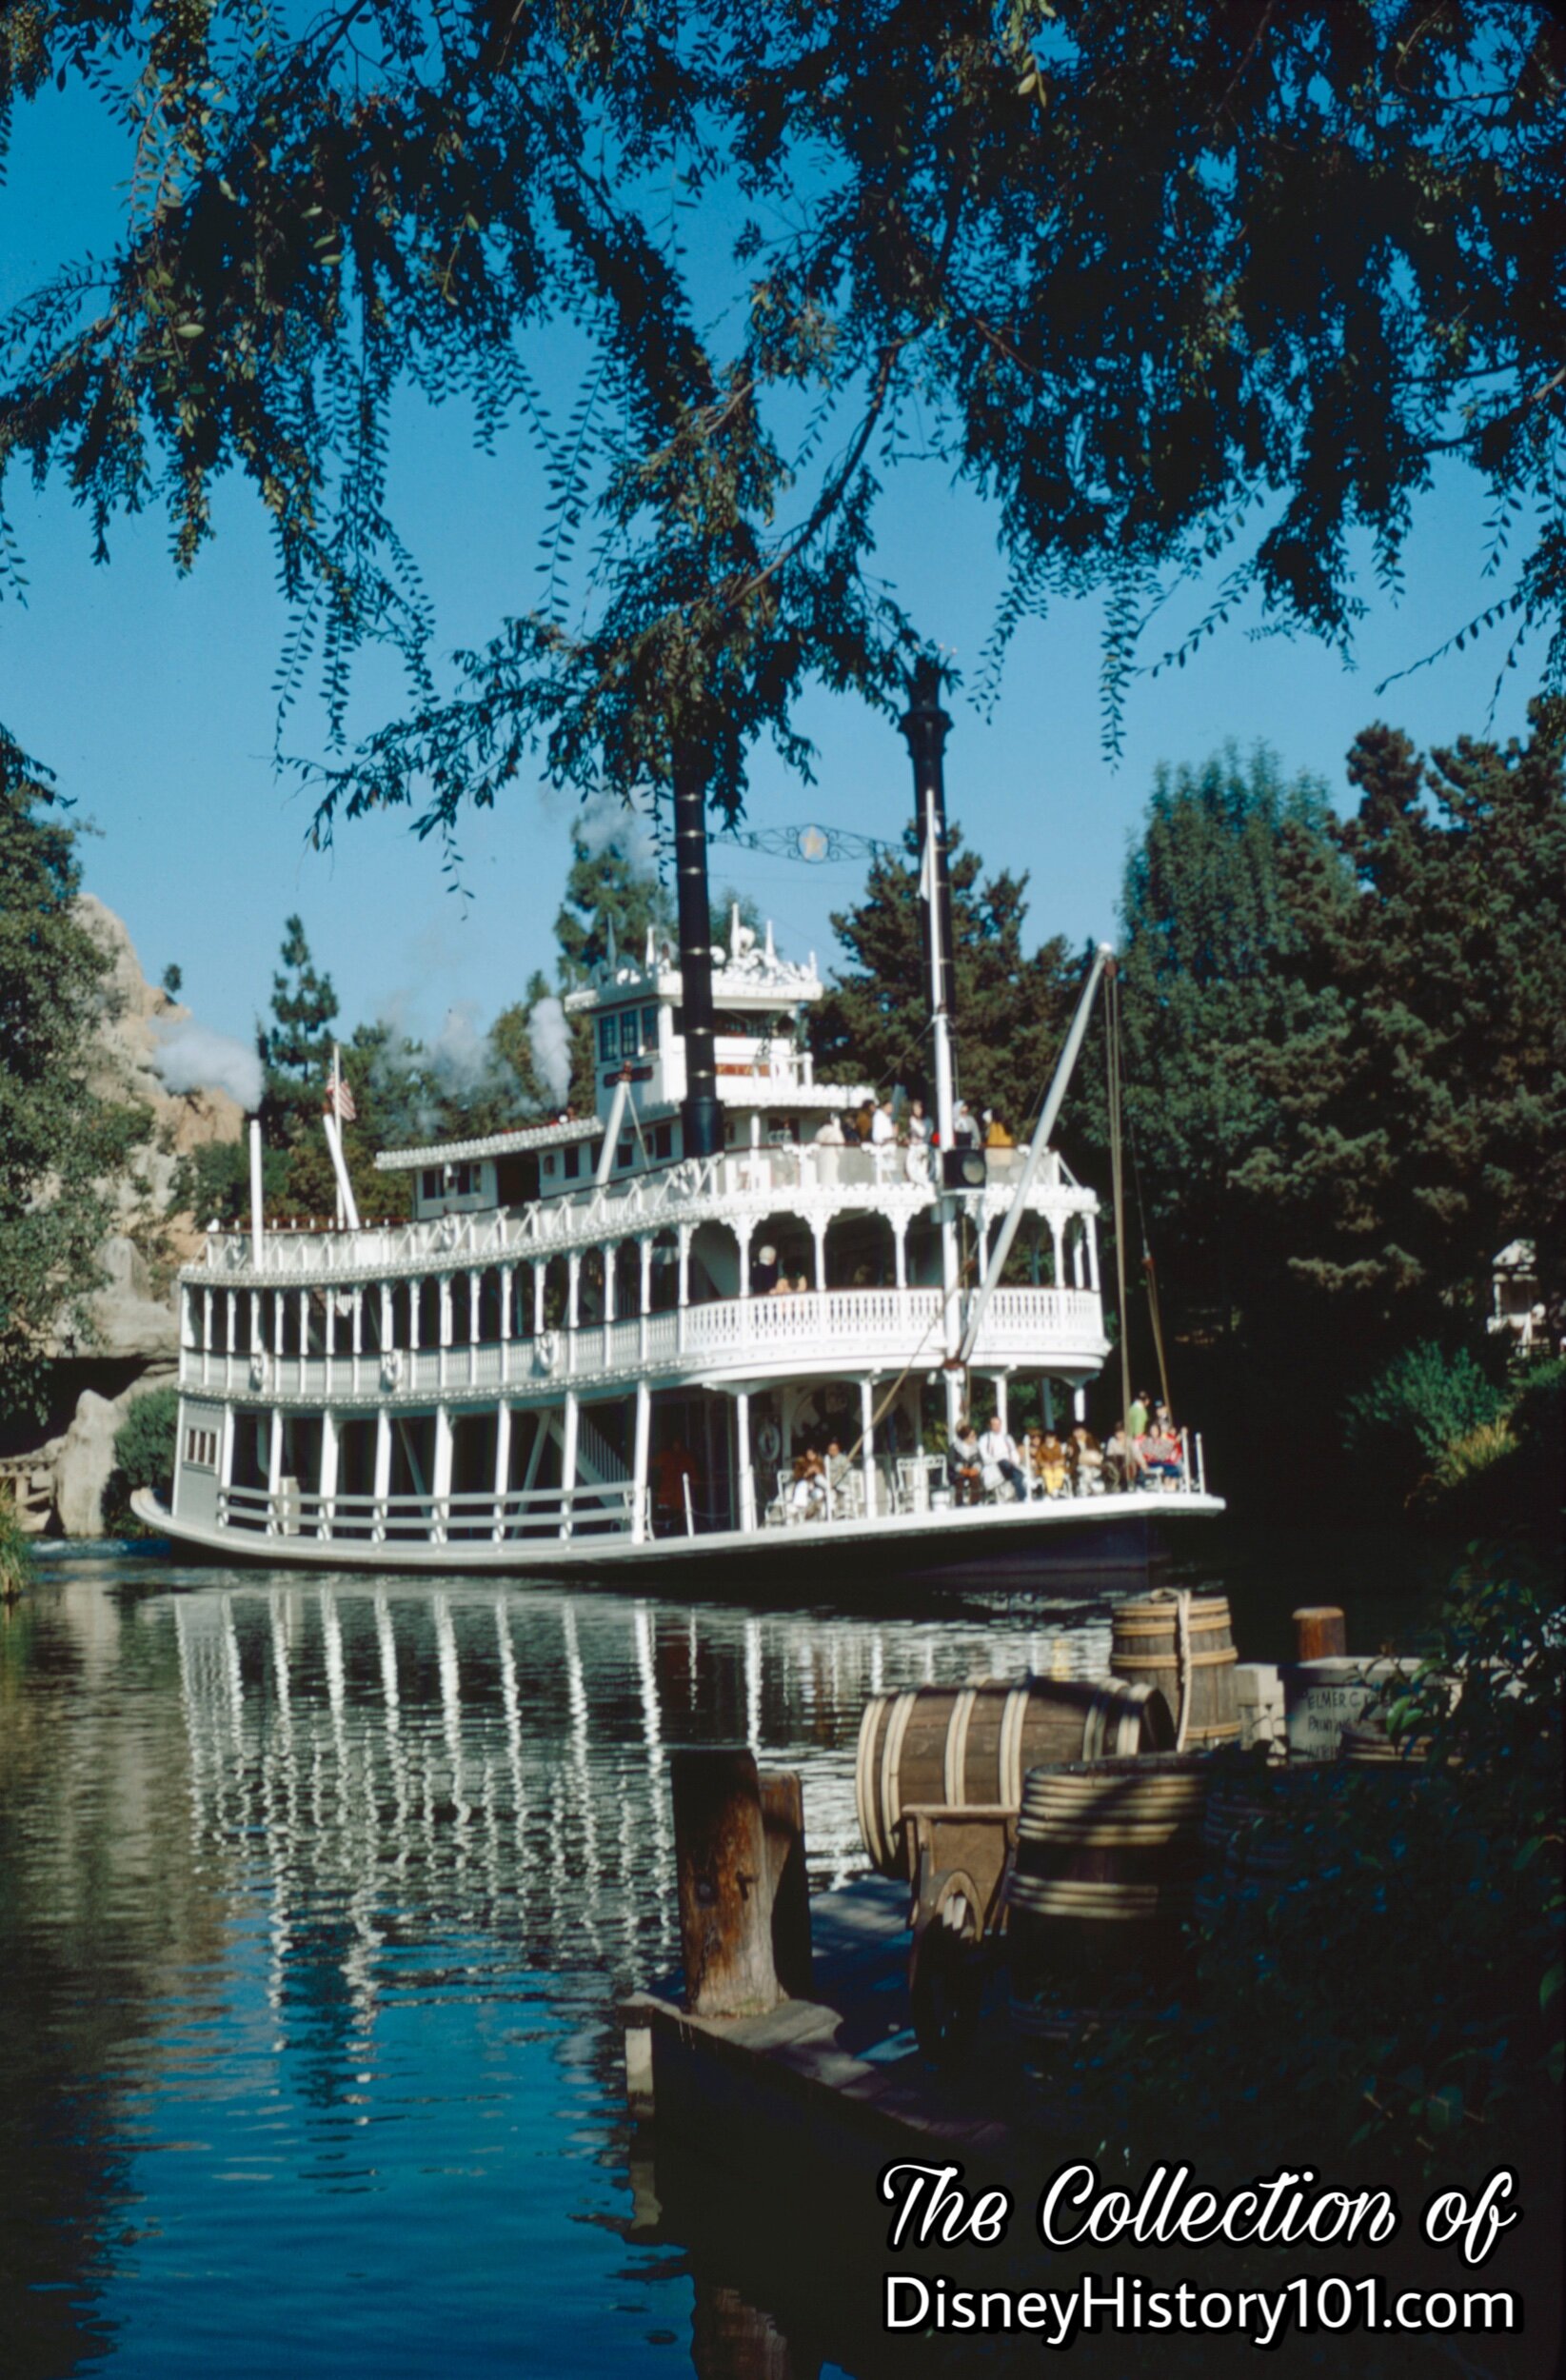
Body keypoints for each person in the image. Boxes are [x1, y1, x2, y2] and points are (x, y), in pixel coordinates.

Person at [651, 1437, 698, 1536]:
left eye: (678, 1444)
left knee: (683, 1509)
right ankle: (666, 1529)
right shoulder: (666, 1455)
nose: (676, 1446)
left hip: (680, 1489)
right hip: (668, 1489)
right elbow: (653, 1463)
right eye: (675, 1444)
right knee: (667, 1511)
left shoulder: (685, 1457)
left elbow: (692, 1472)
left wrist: (694, 1482)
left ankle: (686, 1529)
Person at [978, 1413, 1027, 1501]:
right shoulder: (984, 1439)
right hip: (994, 1466)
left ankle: (1022, 1498)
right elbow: (986, 1459)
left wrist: (1014, 1461)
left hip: (1010, 1466)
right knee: (1006, 1464)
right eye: (994, 1424)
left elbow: (1013, 1452)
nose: (997, 1427)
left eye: (998, 1424)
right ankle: (1023, 1497)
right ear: (990, 1426)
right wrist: (1002, 1458)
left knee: (1014, 1471)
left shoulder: (1007, 1438)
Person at [947, 1417, 982, 1506]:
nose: (974, 1438)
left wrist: (975, 1468)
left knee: (975, 1478)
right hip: (957, 1472)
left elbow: (980, 1460)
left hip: (971, 1471)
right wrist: (961, 1469)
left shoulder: (975, 1447)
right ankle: (959, 1503)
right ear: (965, 1438)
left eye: (974, 1436)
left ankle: (975, 1502)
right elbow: (951, 1461)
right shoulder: (955, 1447)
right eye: (972, 1436)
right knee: (959, 1480)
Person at [1102, 1421, 1140, 1491]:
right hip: (1116, 1464)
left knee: (1132, 1465)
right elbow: (1109, 1454)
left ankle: (1130, 1484)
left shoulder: (1129, 1440)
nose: (1119, 1435)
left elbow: (1136, 1453)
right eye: (1117, 1432)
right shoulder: (1112, 1441)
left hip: (1128, 1463)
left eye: (1121, 1432)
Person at [1068, 1424, 1103, 1495]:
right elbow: (1070, 1457)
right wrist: (1070, 1453)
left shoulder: (1091, 1440)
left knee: (1094, 1472)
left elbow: (1098, 1452)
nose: (1077, 1433)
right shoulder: (1071, 1442)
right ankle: (1086, 1490)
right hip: (1079, 1464)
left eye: (1079, 1431)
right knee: (1086, 1472)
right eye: (1075, 1431)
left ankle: (1094, 1488)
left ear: (1084, 1431)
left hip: (1092, 1464)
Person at [1035, 1428, 1070, 1497]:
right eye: (1047, 1438)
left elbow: (1063, 1457)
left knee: (1059, 1472)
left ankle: (1056, 1488)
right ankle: (1051, 1491)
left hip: (1058, 1466)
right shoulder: (1042, 1447)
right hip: (1047, 1467)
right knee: (1047, 1474)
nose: (1049, 1439)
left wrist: (1060, 1462)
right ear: (1045, 1438)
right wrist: (1044, 1464)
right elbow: (1038, 1459)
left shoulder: (1059, 1446)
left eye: (1051, 1437)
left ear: (1054, 1438)